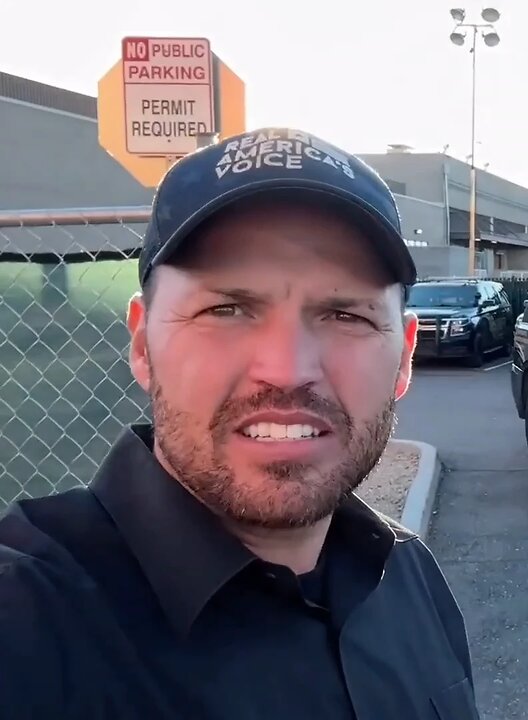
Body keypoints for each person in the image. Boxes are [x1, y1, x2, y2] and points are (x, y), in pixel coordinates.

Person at [0, 128, 480, 719]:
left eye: (344, 314)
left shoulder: (411, 578)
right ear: (143, 345)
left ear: (404, 357)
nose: (287, 370)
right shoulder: (27, 623)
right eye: (225, 309)